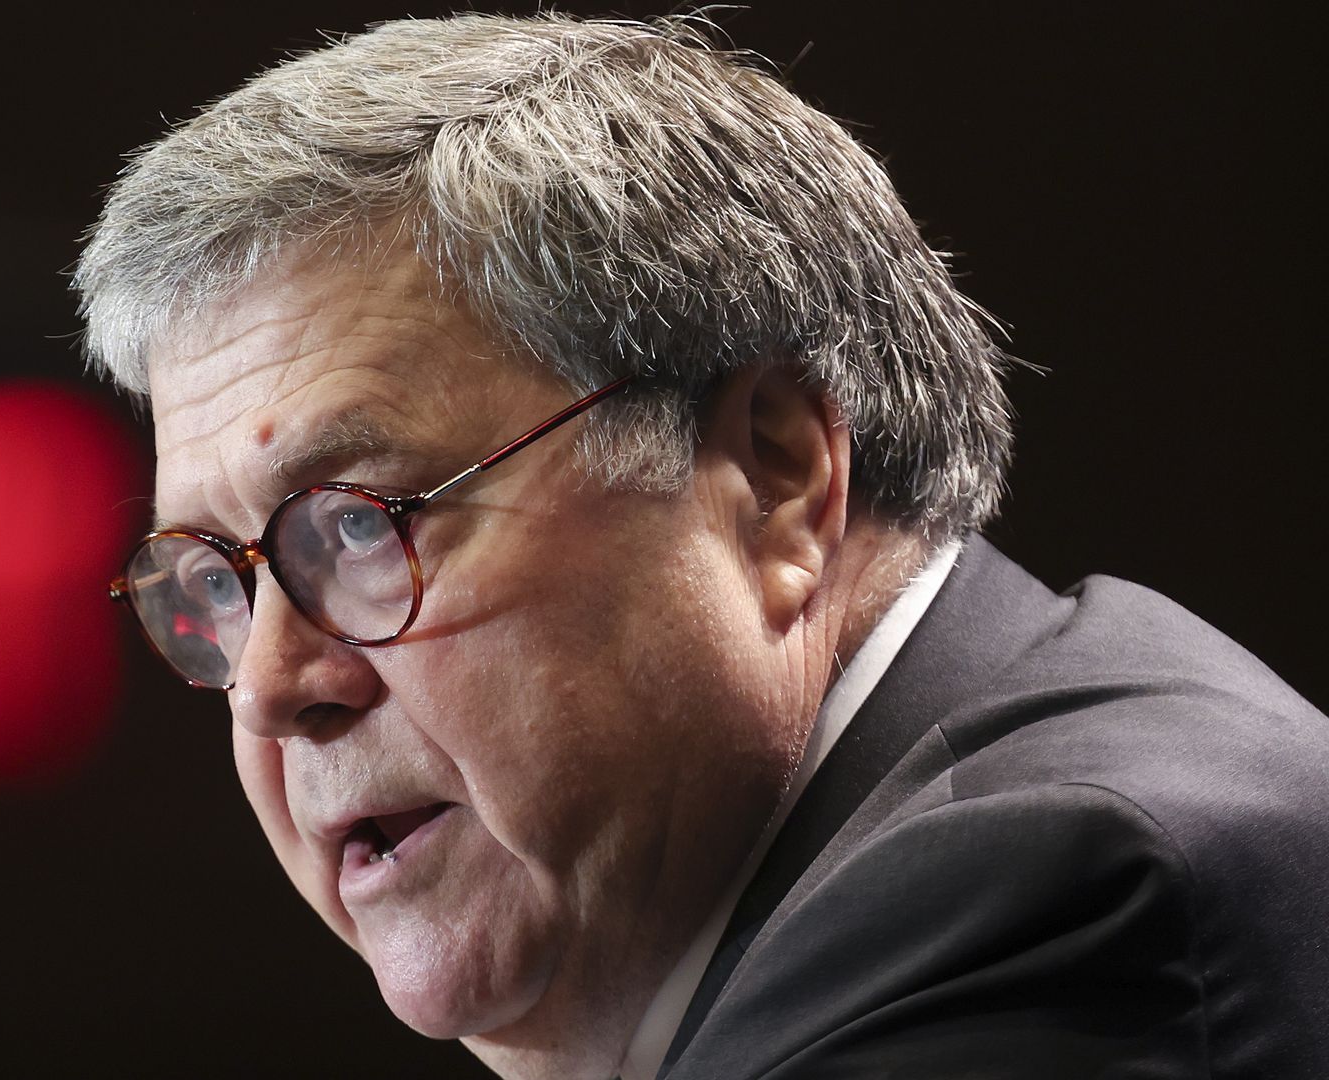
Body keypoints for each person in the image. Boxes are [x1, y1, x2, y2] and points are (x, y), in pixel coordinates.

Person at [76, 14, 1328, 1079]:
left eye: (356, 523)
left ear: (775, 477)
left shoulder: (1044, 903)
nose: (275, 689)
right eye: (217, 581)